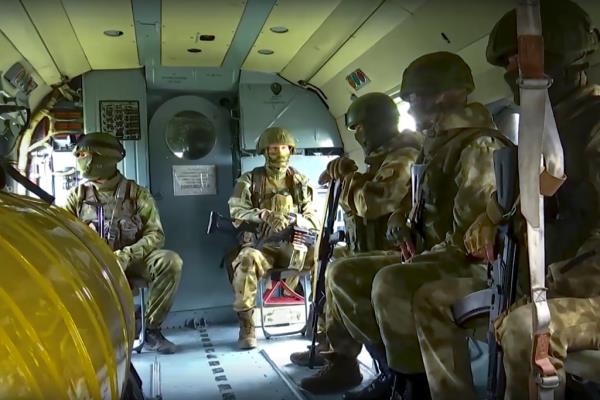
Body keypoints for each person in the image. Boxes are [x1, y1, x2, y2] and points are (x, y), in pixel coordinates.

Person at [412, 1, 600, 399]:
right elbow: (515, 198)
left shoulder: (593, 126)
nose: (514, 70)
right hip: (537, 283)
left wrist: (558, 279)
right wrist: (488, 219)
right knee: (431, 299)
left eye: (523, 57)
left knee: (524, 328)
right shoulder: (538, 135)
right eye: (508, 63)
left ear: (563, 55)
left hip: (588, 292)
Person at [301, 51, 508, 399]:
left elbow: (466, 242)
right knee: (342, 272)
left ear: (442, 95)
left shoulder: (478, 144)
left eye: (413, 99)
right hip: (434, 254)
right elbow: (423, 203)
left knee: (391, 280)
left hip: (471, 267)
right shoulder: (435, 144)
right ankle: (394, 372)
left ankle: (412, 387)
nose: (409, 109)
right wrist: (404, 220)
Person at [289, 92, 422, 367]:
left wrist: (349, 177)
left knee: (341, 268)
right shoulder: (382, 159)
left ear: (378, 123)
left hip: (399, 249)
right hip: (374, 245)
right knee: (326, 259)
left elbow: (373, 202)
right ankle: (330, 349)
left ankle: (365, 364)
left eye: (359, 127)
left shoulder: (405, 156)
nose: (358, 136)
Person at [65, 132, 182, 354]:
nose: (79, 159)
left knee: (170, 262)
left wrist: (128, 255)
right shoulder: (77, 196)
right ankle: (87, 334)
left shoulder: (137, 194)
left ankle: (152, 331)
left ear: (102, 159)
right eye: (78, 154)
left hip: (132, 260)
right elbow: (63, 236)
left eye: (83, 154)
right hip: (93, 264)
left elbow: (156, 234)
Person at [227, 127, 320, 349]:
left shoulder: (300, 181)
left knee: (322, 254)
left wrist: (293, 218)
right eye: (273, 148)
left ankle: (320, 319)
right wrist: (263, 215)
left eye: (283, 148)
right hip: (263, 248)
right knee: (246, 258)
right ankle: (247, 325)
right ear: (264, 151)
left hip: (295, 246)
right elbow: (235, 211)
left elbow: (314, 219)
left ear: (290, 150)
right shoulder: (250, 180)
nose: (278, 152)